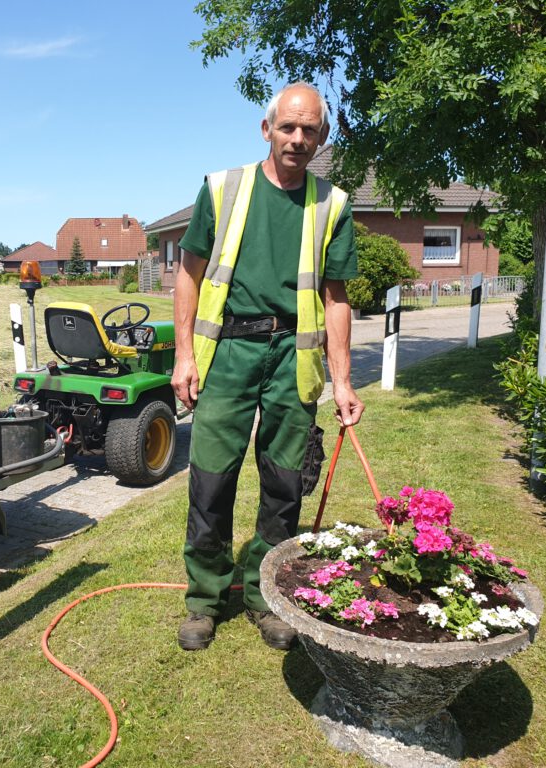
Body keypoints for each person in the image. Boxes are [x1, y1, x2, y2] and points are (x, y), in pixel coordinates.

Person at [171, 82, 364, 651]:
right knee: (211, 480)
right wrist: (184, 355)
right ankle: (204, 600)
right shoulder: (223, 189)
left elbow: (337, 298)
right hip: (227, 352)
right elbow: (189, 273)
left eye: (309, 130)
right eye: (288, 127)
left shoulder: (333, 204)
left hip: (293, 358)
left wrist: (345, 379)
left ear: (320, 137)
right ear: (267, 129)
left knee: (284, 485)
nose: (298, 139)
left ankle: (265, 595)